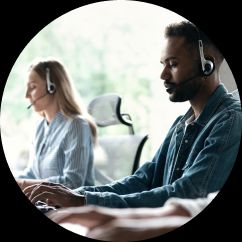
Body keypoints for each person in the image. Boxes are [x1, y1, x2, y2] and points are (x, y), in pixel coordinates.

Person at [24, 21, 241, 208]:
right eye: (163, 64)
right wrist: (75, 196)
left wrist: (84, 202)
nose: (163, 74)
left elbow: (187, 194)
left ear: (207, 65)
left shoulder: (231, 121)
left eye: (173, 64)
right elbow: (143, 180)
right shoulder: (181, 125)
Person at [16, 57, 97, 189]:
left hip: (71, 208)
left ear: (51, 87)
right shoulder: (40, 128)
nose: (26, 95)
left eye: (33, 87)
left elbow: (72, 182)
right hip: (46, 204)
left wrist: (26, 184)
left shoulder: (76, 125)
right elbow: (32, 174)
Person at [47, 192, 218, 241]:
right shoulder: (181, 122)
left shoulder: (231, 118)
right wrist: (90, 202)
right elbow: (194, 207)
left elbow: (187, 190)